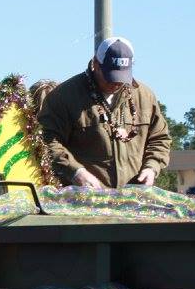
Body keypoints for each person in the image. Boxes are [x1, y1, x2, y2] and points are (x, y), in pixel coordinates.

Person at [38, 37, 171, 188]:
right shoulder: (64, 96)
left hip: (134, 199)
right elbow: (47, 140)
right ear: (96, 64)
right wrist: (76, 171)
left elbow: (160, 138)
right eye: (110, 77)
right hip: (85, 200)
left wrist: (151, 167)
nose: (116, 83)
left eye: (122, 77)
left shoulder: (145, 96)